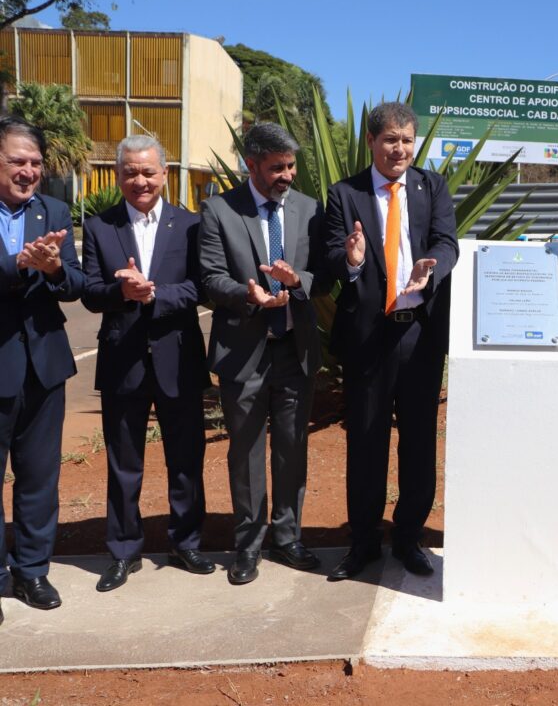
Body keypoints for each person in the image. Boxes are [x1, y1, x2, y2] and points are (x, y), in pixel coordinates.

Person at [322, 102, 458, 580]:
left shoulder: (432, 186)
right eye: (389, 140)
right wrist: (353, 259)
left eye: (406, 139)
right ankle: (363, 543)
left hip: (420, 333)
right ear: (371, 142)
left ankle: (408, 538)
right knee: (366, 441)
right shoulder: (345, 193)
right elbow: (330, 257)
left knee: (419, 441)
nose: (398, 148)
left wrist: (431, 267)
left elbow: (448, 241)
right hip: (367, 337)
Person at [81, 135, 213, 592]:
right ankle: (122, 551)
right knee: (124, 464)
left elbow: (202, 286)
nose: (140, 180)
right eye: (130, 172)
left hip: (179, 357)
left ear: (165, 174)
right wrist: (121, 292)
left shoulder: (191, 224)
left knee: (186, 458)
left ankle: (187, 542)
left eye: (148, 171)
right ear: (118, 176)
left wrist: (155, 293)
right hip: (124, 361)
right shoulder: (100, 227)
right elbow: (90, 292)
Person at [198, 122, 324, 585]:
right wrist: (248, 294)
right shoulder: (218, 210)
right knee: (246, 452)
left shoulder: (310, 209)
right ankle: (248, 545)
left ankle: (288, 539)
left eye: (291, 166)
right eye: (276, 168)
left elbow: (321, 272)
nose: (287, 175)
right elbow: (210, 276)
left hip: (295, 348)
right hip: (243, 350)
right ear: (251, 165)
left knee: (293, 449)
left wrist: (296, 283)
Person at [0, 116, 85, 624]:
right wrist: (21, 265)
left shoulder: (54, 209)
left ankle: (32, 570)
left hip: (45, 365)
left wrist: (53, 269)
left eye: (34, 162)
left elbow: (74, 284)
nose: (28, 171)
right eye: (17, 161)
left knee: (38, 478)